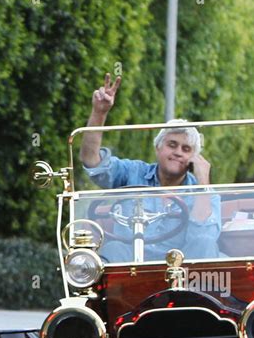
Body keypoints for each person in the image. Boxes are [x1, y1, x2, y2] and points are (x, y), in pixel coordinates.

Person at [79, 73, 220, 262]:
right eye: (172, 144)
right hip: (133, 269)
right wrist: (99, 113)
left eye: (186, 149)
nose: (178, 152)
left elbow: (203, 240)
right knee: (113, 248)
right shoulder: (132, 173)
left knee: (205, 242)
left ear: (194, 157)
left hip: (182, 272)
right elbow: (91, 161)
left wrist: (203, 184)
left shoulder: (204, 192)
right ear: (158, 147)